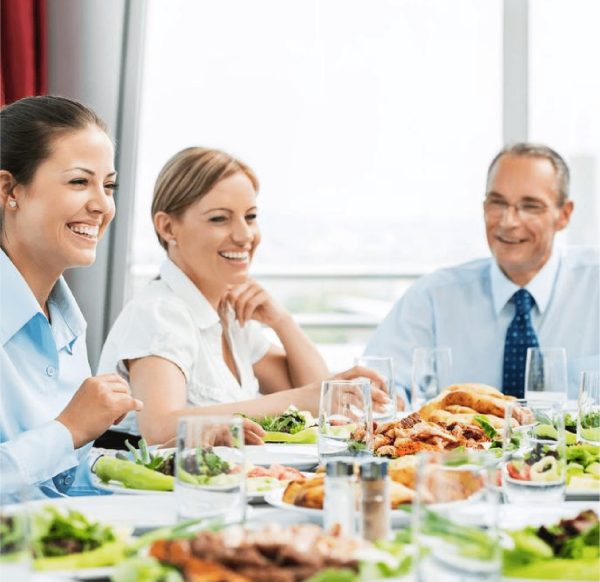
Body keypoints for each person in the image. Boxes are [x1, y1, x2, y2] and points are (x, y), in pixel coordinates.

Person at [98, 147, 387, 446]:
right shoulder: (159, 312)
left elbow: (316, 394)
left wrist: (282, 321)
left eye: (250, 217)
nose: (244, 235)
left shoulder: (228, 312)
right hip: (151, 491)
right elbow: (159, 427)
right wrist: (303, 398)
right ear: (168, 227)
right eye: (220, 219)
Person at [365, 143, 599, 404]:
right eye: (497, 203)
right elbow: (378, 382)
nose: (508, 222)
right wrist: (386, 401)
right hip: (460, 444)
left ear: (564, 215)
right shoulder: (433, 296)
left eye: (530, 206)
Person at [0, 96, 142, 498]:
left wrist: (184, 454)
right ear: (9, 189)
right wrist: (68, 430)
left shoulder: (63, 322)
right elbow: (65, 439)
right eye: (79, 181)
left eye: (108, 185)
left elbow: (66, 475)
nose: (102, 205)